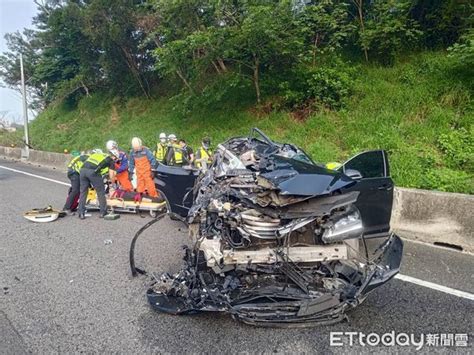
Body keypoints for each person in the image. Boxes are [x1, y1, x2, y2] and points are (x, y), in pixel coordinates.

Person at [77, 149, 117, 219]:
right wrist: (112, 184)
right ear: (114, 157)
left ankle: (81, 213)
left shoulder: (99, 155)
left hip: (82, 170)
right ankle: (103, 212)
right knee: (100, 191)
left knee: (83, 192)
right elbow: (111, 175)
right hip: (93, 171)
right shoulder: (110, 160)